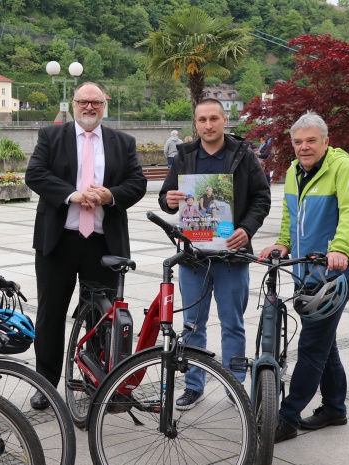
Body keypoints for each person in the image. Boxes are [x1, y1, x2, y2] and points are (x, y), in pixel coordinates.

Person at [25, 82, 147, 409]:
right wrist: (73, 195)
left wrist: (110, 195)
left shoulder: (123, 142)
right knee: (50, 316)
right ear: (73, 103)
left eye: (96, 102)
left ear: (105, 105)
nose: (89, 107)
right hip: (59, 242)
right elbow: (35, 174)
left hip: (103, 244)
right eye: (83, 101)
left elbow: (137, 183)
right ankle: (45, 384)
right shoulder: (51, 136)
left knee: (101, 318)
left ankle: (94, 381)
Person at [259, 111, 349, 443]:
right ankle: (334, 408)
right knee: (324, 342)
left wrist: (341, 249)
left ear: (326, 141)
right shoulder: (295, 170)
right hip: (304, 271)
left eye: (311, 141)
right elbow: (291, 214)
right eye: (298, 142)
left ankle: (287, 418)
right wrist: (283, 243)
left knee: (311, 346)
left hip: (334, 274)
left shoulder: (343, 168)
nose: (303, 147)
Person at [159, 98, 271, 410]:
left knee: (232, 323)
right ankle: (193, 385)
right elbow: (166, 197)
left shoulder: (243, 154)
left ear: (224, 120)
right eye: (202, 120)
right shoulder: (184, 156)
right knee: (192, 324)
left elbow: (262, 198)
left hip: (232, 255)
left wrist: (247, 229)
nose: (208, 125)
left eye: (213, 119)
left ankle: (235, 385)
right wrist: (169, 200)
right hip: (193, 256)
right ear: (195, 124)